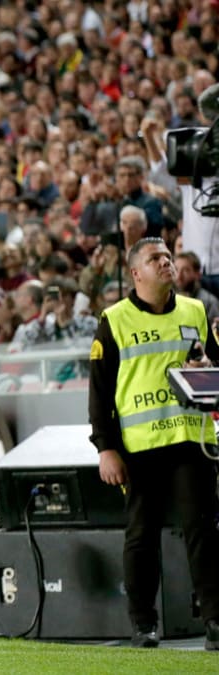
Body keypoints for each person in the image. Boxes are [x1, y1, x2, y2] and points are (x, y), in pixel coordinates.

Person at [88, 236, 219, 650]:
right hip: (139, 447)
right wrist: (105, 447)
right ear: (135, 273)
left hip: (192, 440)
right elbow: (99, 390)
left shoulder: (197, 311)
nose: (166, 262)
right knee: (141, 536)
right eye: (155, 259)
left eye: (167, 257)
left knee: (204, 532)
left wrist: (208, 365)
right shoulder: (115, 319)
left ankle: (216, 621)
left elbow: (215, 369)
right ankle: (143, 623)